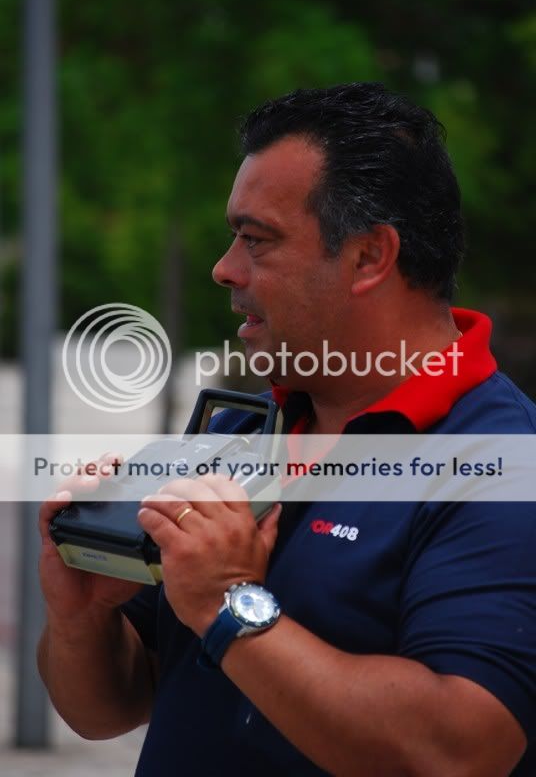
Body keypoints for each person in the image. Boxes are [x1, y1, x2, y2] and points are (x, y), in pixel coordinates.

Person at [38, 83, 536, 776]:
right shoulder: (238, 429)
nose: (225, 268)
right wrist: (81, 615)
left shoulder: (502, 461)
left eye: (256, 240)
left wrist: (228, 604)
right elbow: (107, 710)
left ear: (369, 257)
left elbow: (460, 751)